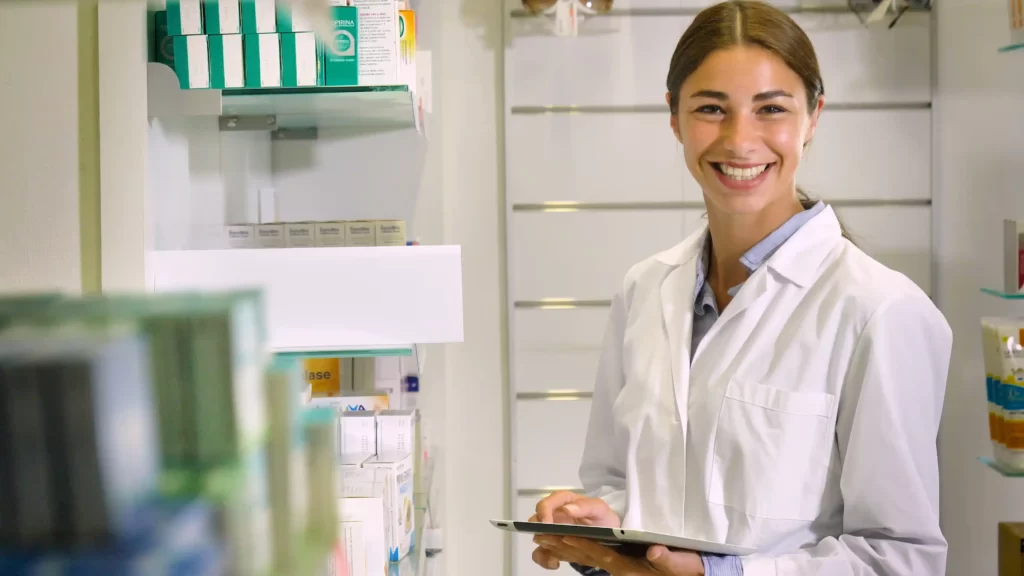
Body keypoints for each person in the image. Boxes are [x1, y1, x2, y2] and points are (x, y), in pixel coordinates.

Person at [528, 1, 952, 575]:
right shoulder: (645, 289)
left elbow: (900, 557)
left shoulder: (881, 312)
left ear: (813, 117)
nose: (739, 139)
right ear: (674, 117)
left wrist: (717, 575)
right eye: (710, 108)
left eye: (771, 108)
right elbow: (620, 483)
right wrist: (598, 530)